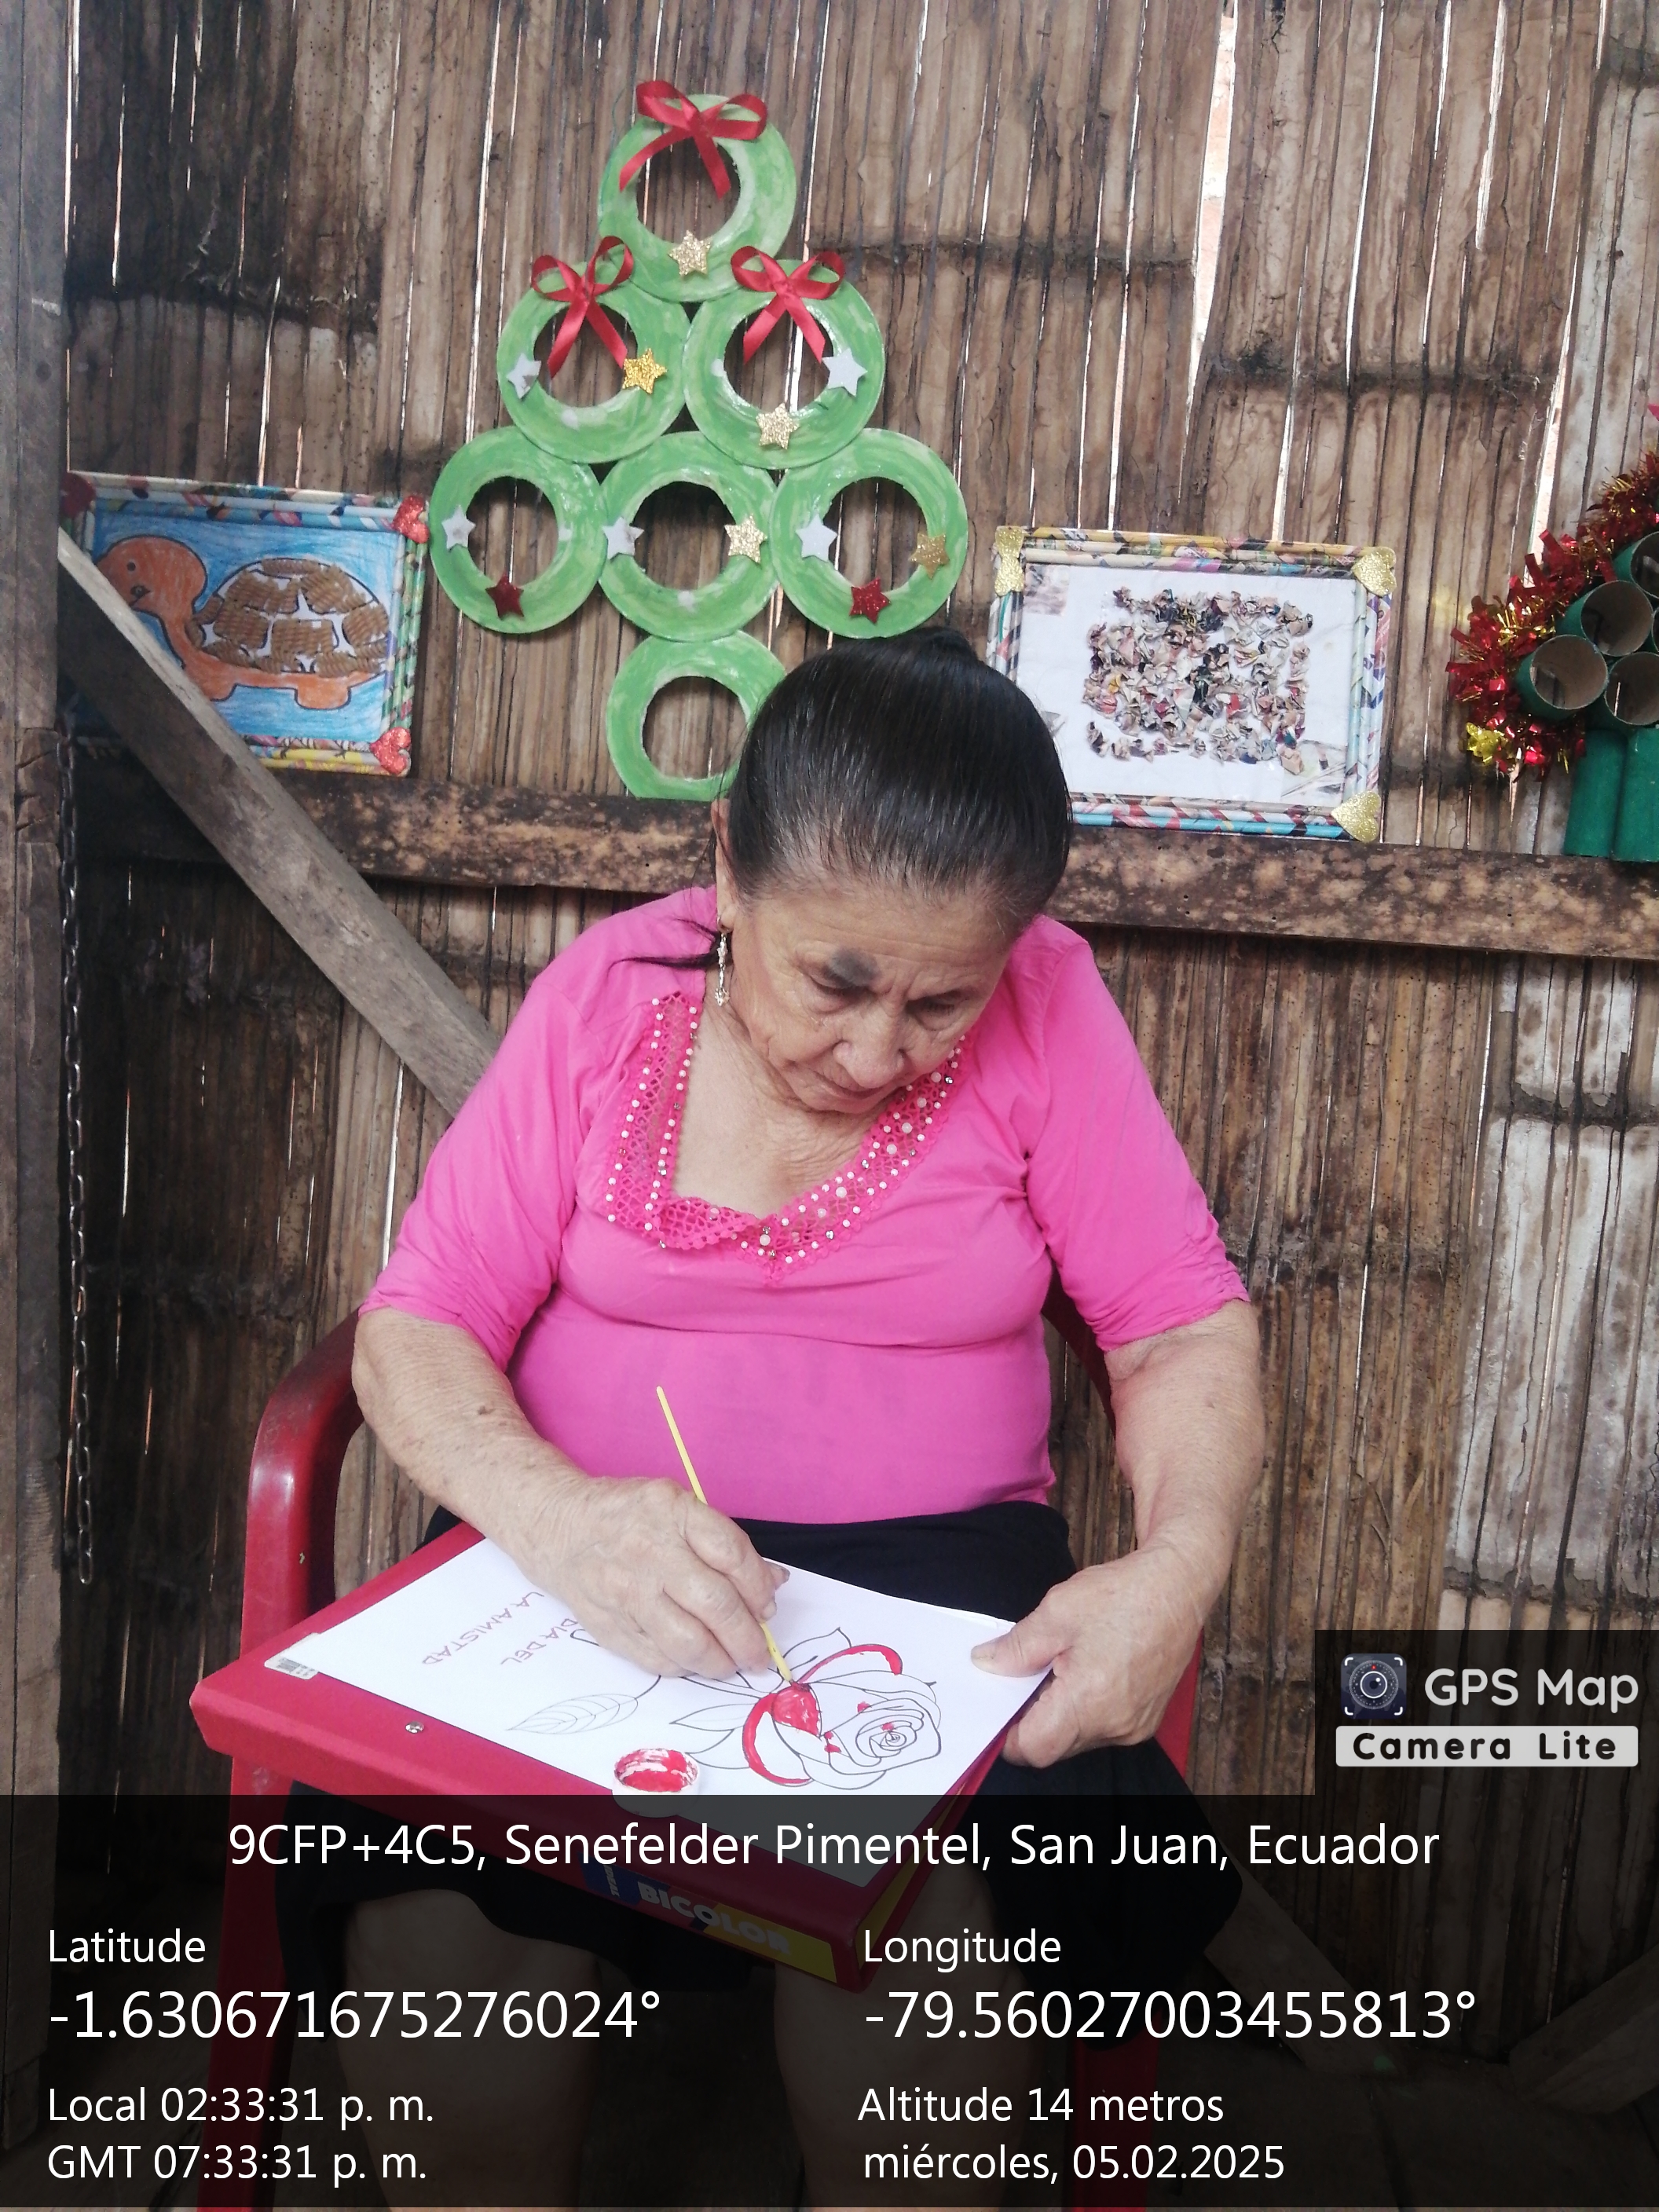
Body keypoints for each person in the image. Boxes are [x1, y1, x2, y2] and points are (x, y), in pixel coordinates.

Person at [314, 629, 1264, 2207]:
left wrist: (1181, 1561)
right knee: (446, 1946)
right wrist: (558, 1518)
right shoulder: (605, 994)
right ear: (729, 874)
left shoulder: (1053, 1004)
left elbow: (1175, 1325)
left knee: (927, 1967)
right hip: (578, 1564)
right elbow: (419, 1324)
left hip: (935, 1597)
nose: (880, 1051)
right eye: (839, 981)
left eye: (942, 1002)